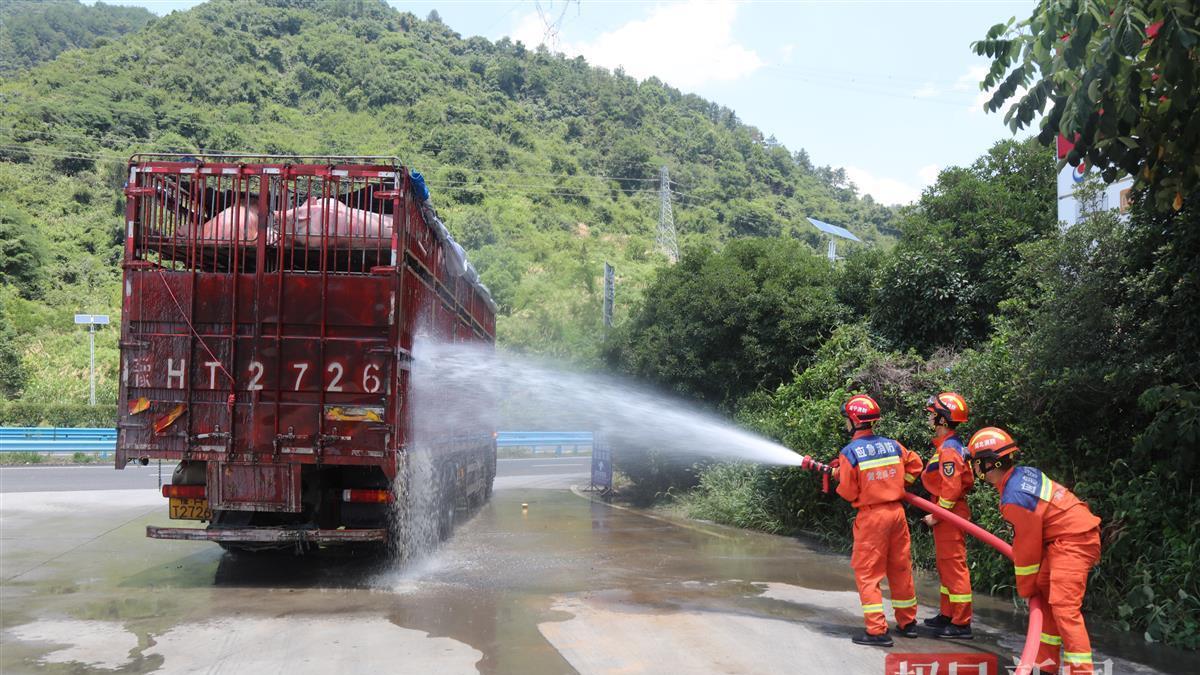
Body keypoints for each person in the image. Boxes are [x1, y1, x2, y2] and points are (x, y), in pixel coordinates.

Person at [967, 427, 1102, 675]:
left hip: (1073, 541)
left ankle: (1081, 671)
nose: (973, 469)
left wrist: (1026, 587)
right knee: (1047, 601)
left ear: (988, 463)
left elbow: (1027, 549)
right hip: (1062, 540)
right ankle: (1044, 666)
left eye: (975, 462)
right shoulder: (1022, 476)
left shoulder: (1015, 497)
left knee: (1064, 608)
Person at [834, 394, 924, 647]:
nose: (845, 425)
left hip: (873, 517)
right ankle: (908, 623)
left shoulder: (850, 453)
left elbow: (849, 492)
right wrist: (898, 486)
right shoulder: (893, 446)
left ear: (854, 421)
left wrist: (841, 477)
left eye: (846, 420)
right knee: (900, 569)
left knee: (868, 573)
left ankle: (877, 631)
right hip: (897, 513)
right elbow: (916, 466)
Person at [919, 392, 975, 639]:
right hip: (945, 510)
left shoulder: (950, 449)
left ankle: (961, 623)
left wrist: (937, 517)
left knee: (953, 567)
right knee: (945, 566)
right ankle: (947, 614)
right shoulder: (947, 445)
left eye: (933, 415)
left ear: (943, 420)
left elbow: (951, 491)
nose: (929, 418)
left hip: (950, 513)